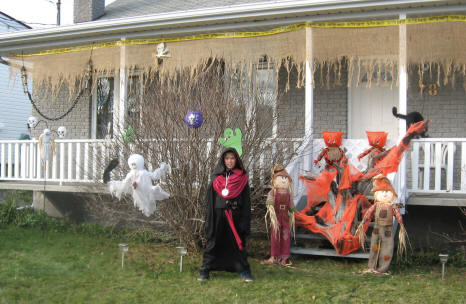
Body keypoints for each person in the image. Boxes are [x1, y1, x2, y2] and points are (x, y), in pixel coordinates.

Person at [198, 148, 253, 282]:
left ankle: (243, 271)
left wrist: (245, 221)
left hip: (236, 216)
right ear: (223, 160)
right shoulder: (217, 178)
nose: (229, 161)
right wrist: (210, 220)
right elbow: (210, 201)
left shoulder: (242, 178)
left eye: (232, 158)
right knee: (213, 243)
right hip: (218, 216)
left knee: (238, 243)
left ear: (236, 160)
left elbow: (246, 201)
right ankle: (205, 270)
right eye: (227, 158)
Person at [263, 165, 296, 266]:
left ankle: (284, 258)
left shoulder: (289, 194)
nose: (283, 180)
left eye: (285, 178)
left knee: (285, 236)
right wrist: (270, 207)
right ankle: (274, 256)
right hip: (276, 218)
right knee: (275, 236)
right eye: (281, 178)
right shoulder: (273, 192)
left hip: (285, 218)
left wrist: (293, 212)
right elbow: (270, 202)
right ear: (275, 180)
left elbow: (291, 205)